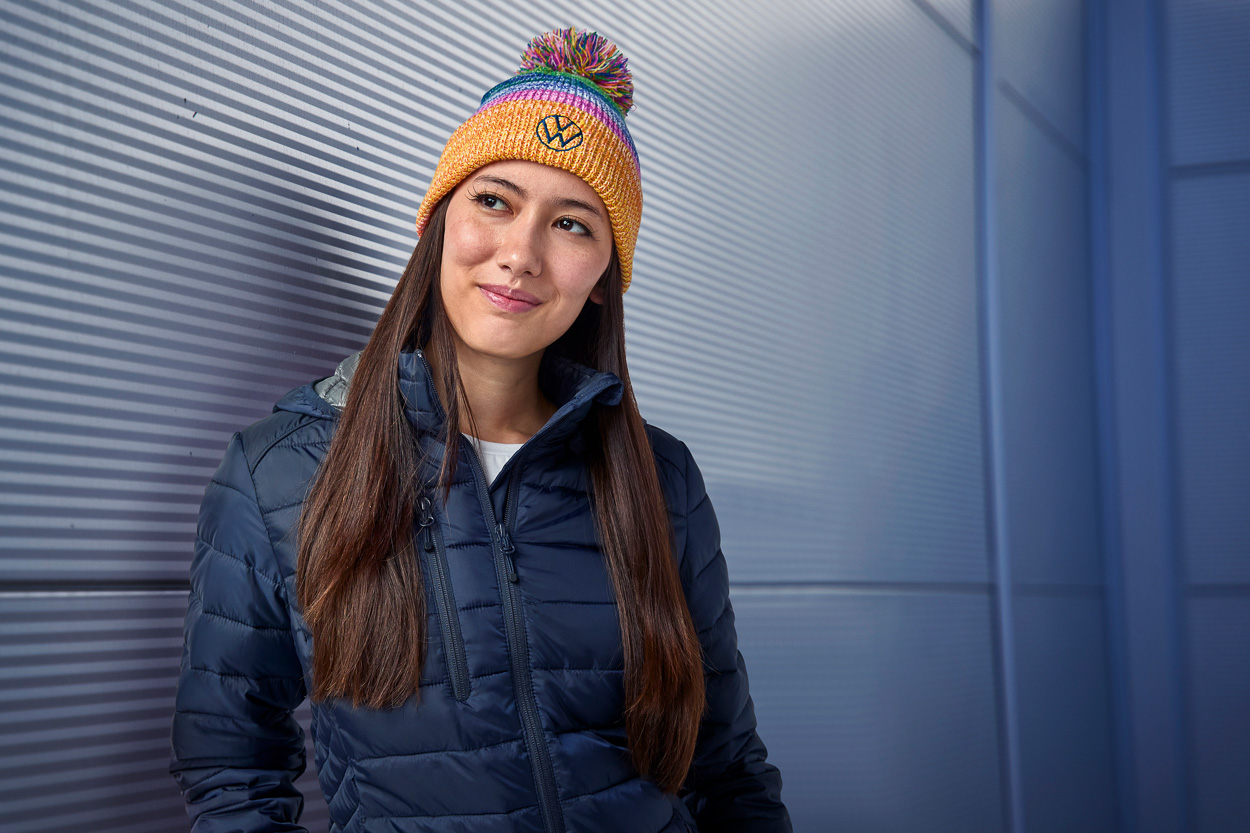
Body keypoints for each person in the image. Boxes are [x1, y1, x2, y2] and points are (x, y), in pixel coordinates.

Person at [169, 27, 791, 833]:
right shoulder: (276, 474)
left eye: (573, 224)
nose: (521, 253)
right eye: (494, 200)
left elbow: (727, 765)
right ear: (437, 222)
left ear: (604, 277)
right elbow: (231, 768)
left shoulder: (660, 478)